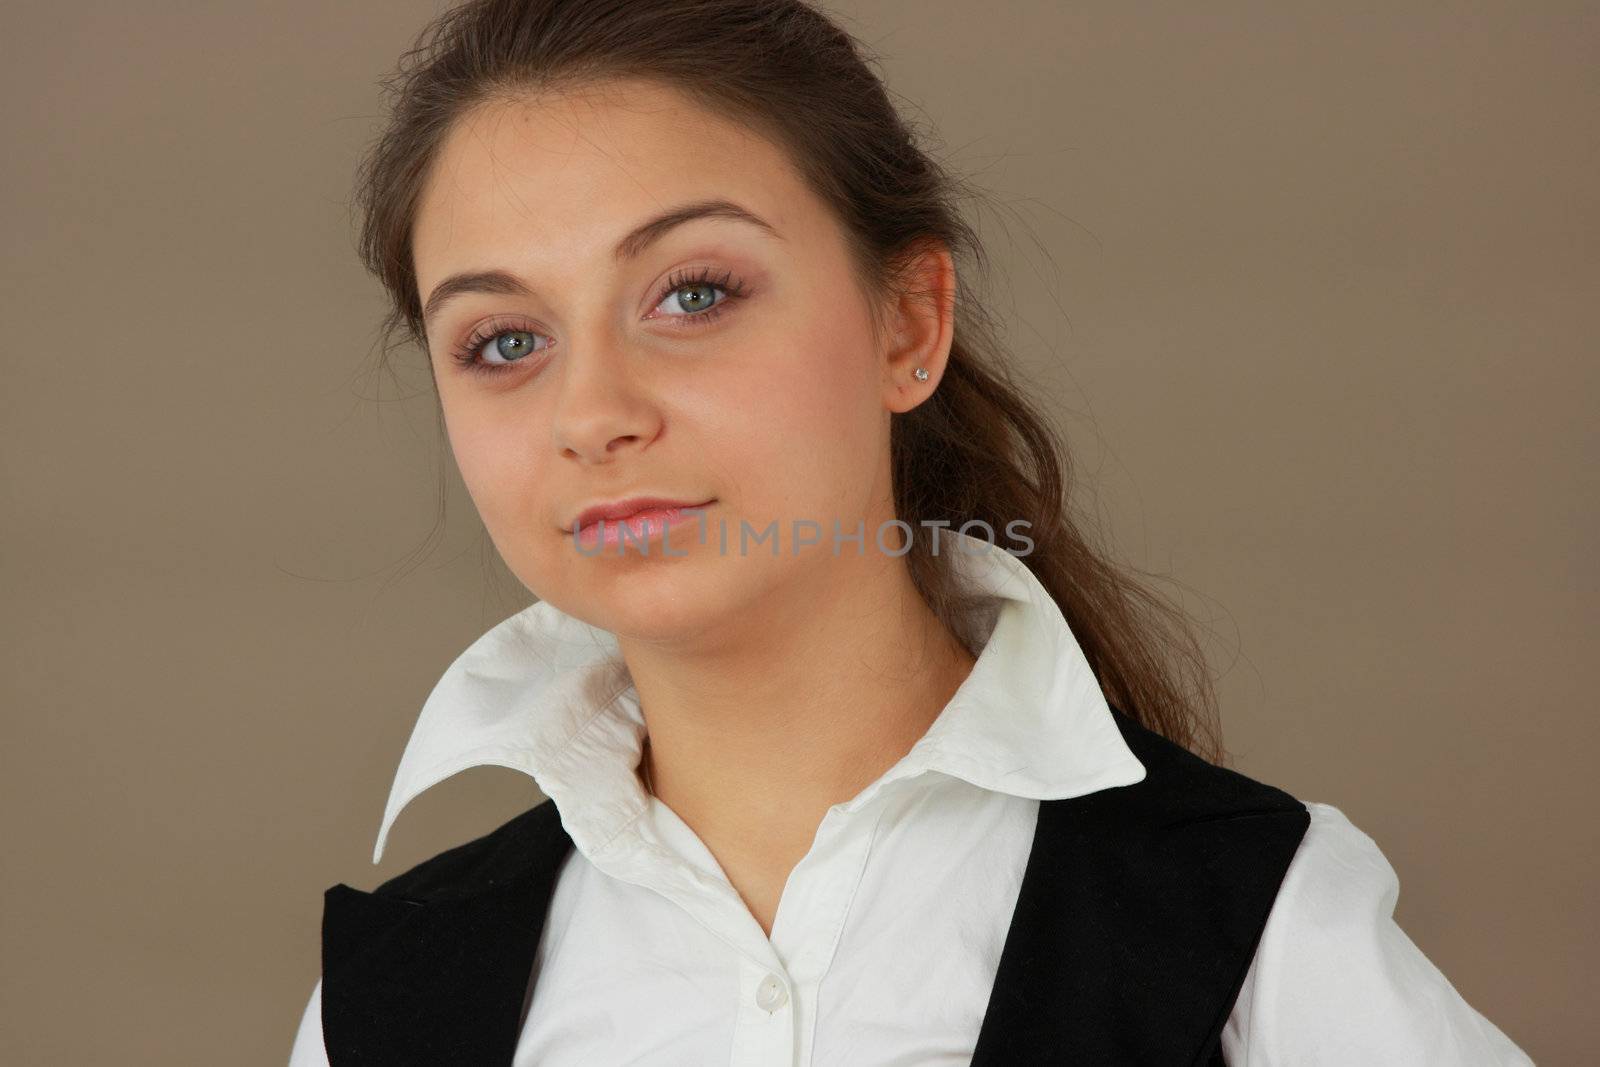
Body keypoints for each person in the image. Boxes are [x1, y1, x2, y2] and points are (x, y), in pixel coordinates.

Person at [290, 1, 1535, 1063]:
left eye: (693, 293)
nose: (594, 413)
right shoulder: (387, 1001)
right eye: (503, 341)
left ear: (908, 326)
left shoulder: (1251, 919)